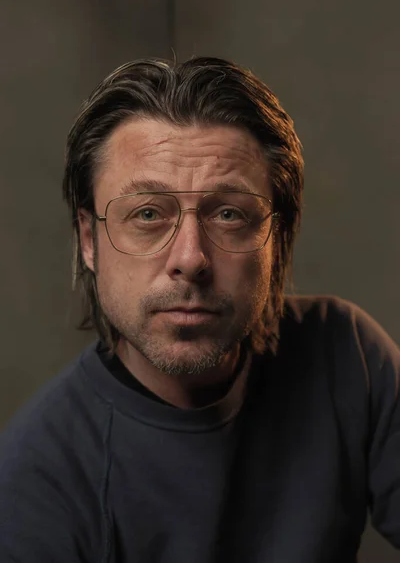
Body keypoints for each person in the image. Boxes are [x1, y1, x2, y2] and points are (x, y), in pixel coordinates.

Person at [0, 57, 399, 563]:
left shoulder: (345, 355)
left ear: (276, 236)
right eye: (147, 214)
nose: (190, 259)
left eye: (229, 213)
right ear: (89, 239)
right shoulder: (32, 489)